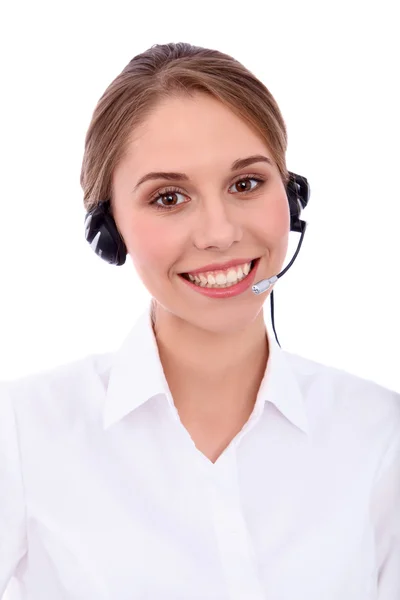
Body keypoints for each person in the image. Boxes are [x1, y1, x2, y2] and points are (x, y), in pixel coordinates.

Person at [0, 42, 399, 600]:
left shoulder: (381, 436)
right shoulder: (21, 433)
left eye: (246, 184)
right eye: (168, 197)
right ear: (108, 232)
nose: (219, 232)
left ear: (292, 197)